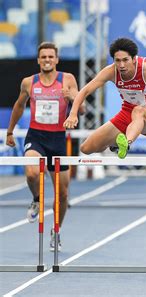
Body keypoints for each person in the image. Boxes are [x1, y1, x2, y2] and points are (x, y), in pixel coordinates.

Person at [6, 42, 83, 252]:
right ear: (38, 60)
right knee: (32, 173)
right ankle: (37, 200)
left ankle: (56, 230)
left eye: (51, 56)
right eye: (44, 57)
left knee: (63, 193)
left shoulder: (67, 80)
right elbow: (19, 105)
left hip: (58, 139)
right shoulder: (28, 83)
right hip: (36, 136)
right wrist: (10, 131)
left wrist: (72, 98)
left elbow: (82, 109)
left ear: (56, 59)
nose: (47, 60)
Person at [63, 37, 146, 158]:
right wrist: (73, 114)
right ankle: (115, 144)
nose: (122, 65)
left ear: (134, 59)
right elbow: (85, 91)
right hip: (127, 113)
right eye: (117, 61)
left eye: (125, 60)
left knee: (139, 110)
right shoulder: (111, 71)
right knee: (86, 148)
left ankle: (125, 144)